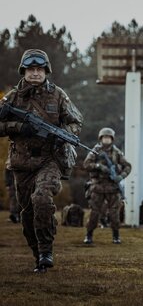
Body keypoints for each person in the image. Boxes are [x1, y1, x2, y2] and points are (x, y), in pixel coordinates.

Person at [0, 49, 83, 273]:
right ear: (24, 71)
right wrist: (18, 127)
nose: (35, 73)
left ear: (46, 71)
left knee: (42, 198)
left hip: (49, 160)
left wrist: (61, 133)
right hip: (21, 163)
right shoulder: (13, 98)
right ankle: (39, 256)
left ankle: (47, 250)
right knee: (27, 215)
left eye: (39, 69)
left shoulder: (58, 95)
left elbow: (76, 122)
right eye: (31, 70)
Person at [83, 127, 131, 244]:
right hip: (98, 187)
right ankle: (89, 235)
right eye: (104, 137)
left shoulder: (117, 152)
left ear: (112, 139)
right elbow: (86, 164)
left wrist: (121, 177)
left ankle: (116, 236)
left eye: (108, 137)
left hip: (112, 187)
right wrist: (99, 166)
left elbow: (128, 166)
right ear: (101, 138)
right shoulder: (95, 151)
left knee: (114, 214)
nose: (106, 139)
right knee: (94, 212)